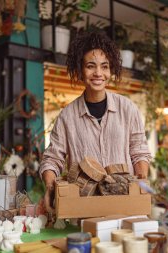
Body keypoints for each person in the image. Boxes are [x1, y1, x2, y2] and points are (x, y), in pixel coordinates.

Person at [39, 31, 151, 212]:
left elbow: (139, 152)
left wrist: (141, 180)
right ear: (80, 70)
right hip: (84, 209)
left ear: (110, 70)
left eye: (104, 66)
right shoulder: (67, 117)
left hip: (125, 206)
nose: (98, 73)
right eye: (91, 66)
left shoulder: (128, 109)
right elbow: (52, 159)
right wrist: (51, 187)